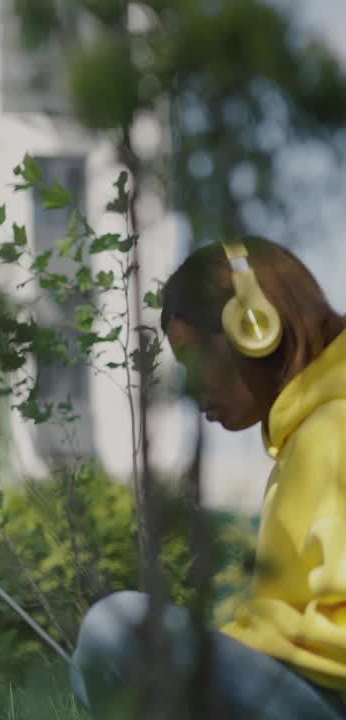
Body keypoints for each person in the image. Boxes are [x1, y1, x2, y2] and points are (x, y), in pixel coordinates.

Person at [69, 237, 346, 718]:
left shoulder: (335, 429)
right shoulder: (305, 437)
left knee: (117, 626)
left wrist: (238, 642)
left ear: (254, 328)